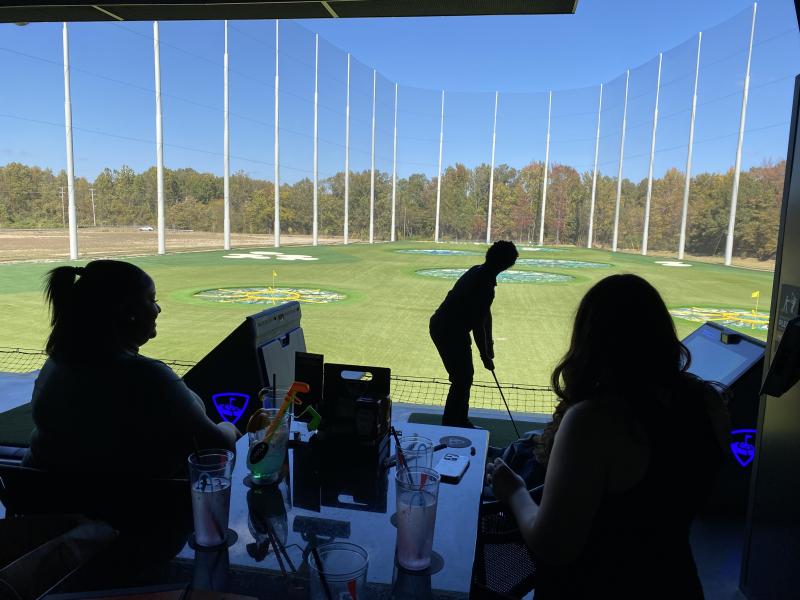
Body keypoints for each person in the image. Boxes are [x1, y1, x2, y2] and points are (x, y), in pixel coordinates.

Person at [486, 274, 729, 599]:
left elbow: (552, 546)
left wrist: (515, 491)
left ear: (590, 340)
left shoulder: (592, 421)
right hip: (676, 583)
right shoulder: (708, 402)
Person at [23, 260, 238, 478]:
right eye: (151, 300)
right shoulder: (147, 376)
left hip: (55, 504)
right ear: (128, 312)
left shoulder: (55, 365)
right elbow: (219, 450)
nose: (158, 309)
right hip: (130, 508)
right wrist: (230, 427)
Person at [429, 241, 518, 428]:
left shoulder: (479, 271)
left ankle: (456, 420)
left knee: (463, 377)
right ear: (504, 263)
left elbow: (486, 313)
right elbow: (478, 325)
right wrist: (484, 355)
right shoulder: (483, 284)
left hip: (447, 327)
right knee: (462, 377)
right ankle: (454, 422)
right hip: (448, 330)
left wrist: (490, 344)